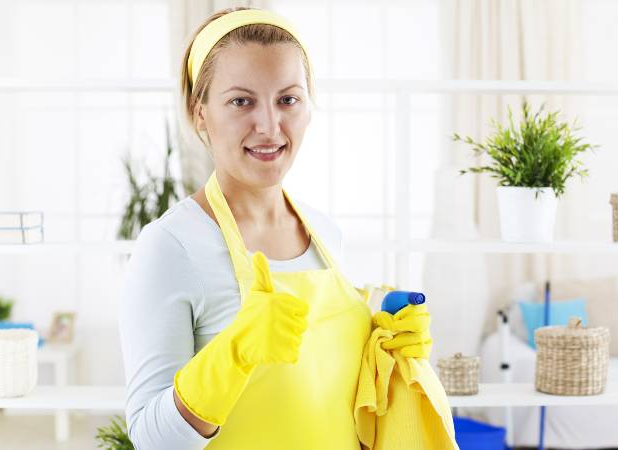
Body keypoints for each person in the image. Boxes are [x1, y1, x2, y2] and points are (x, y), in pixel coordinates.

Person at [117, 7, 433, 450]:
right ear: (199, 112)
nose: (269, 127)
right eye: (241, 101)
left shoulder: (325, 234)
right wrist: (233, 355)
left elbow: (326, 404)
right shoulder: (170, 247)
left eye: (288, 100)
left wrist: (383, 349)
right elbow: (151, 440)